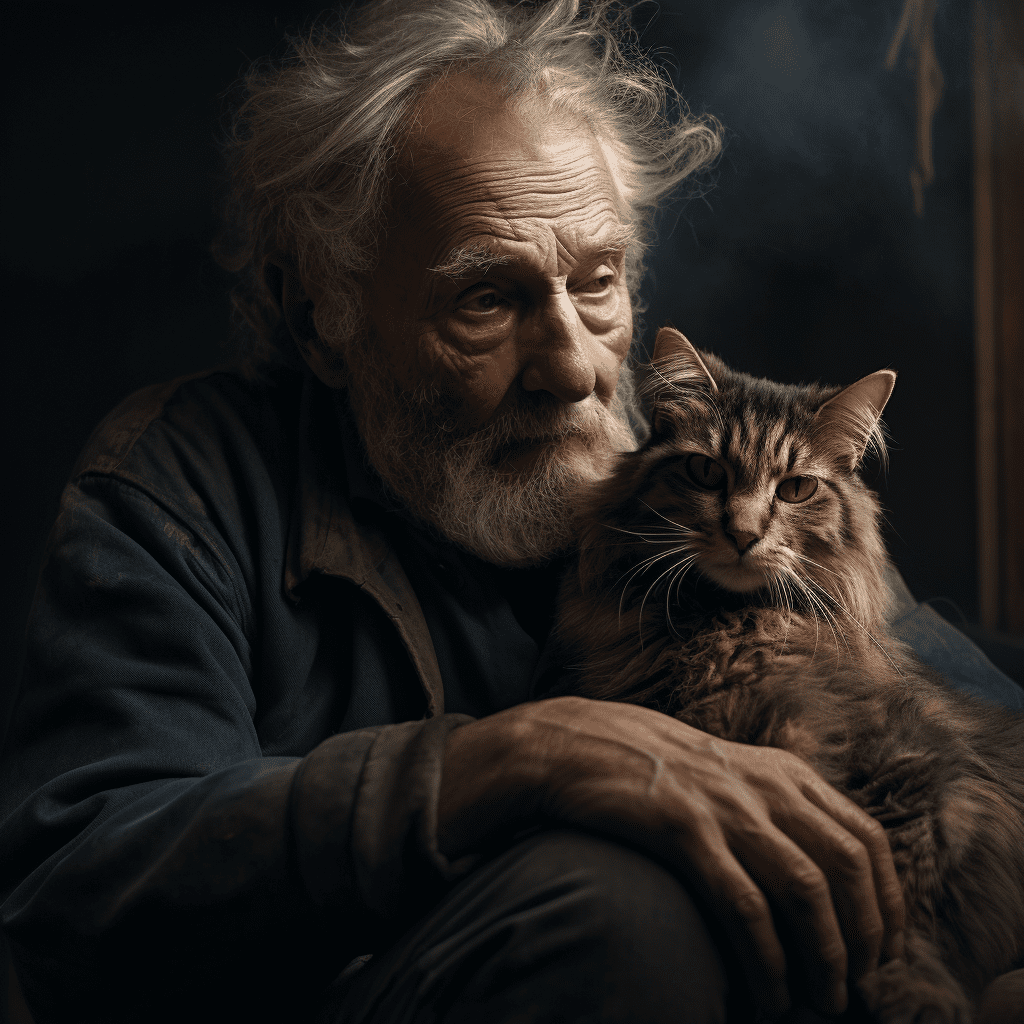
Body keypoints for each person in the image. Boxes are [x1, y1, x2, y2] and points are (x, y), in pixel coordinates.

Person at [2, 2, 1020, 1023]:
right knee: (622, 899)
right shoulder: (185, 480)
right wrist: (504, 763)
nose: (575, 368)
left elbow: (970, 731)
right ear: (321, 314)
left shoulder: (685, 484)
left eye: (598, 281)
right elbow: (76, 889)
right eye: (487, 298)